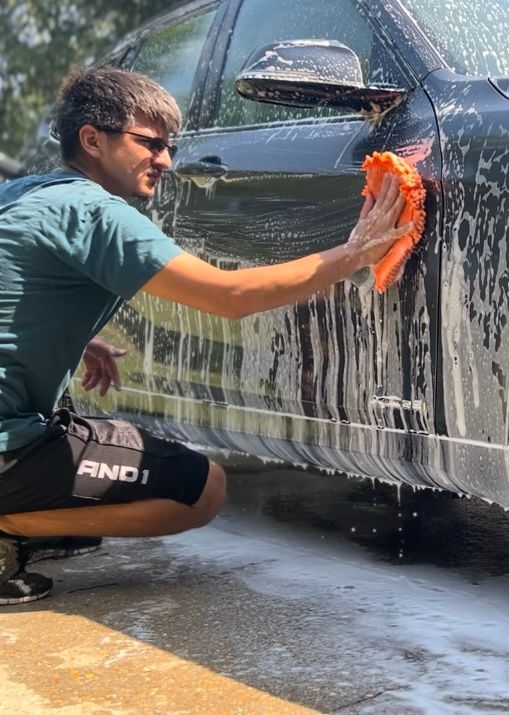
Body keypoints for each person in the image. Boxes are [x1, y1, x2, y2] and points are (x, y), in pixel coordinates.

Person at [0, 67, 414, 604]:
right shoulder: (95, 212)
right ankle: (10, 527)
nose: (166, 160)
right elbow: (229, 297)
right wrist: (354, 253)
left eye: (169, 145)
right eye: (150, 143)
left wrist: (77, 340)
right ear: (92, 140)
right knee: (203, 490)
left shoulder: (30, 192)